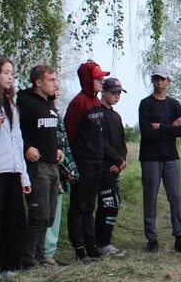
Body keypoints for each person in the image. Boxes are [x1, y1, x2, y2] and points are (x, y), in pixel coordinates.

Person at [0, 57, 31, 278]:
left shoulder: (12, 104)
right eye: (6, 72)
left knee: (15, 218)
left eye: (12, 73)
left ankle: (12, 264)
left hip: (13, 168)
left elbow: (18, 139)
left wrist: (24, 174)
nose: (10, 77)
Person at [64, 60, 113, 261]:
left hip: (97, 161)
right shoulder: (78, 103)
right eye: (97, 78)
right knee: (79, 205)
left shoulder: (96, 102)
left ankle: (91, 244)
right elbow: (70, 133)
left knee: (90, 205)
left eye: (102, 78)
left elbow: (99, 136)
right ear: (87, 79)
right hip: (82, 162)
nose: (102, 81)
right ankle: (79, 248)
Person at [138, 67, 181, 254]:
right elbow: (147, 133)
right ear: (153, 81)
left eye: (163, 79)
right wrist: (171, 127)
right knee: (150, 198)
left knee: (175, 198)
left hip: (171, 157)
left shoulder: (174, 104)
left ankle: (180, 237)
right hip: (150, 157)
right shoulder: (146, 104)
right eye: (156, 79)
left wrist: (161, 126)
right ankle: (151, 238)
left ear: (169, 81)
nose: (159, 82)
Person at [18, 65, 64, 267]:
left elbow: (50, 132)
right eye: (51, 80)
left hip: (53, 165)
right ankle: (28, 258)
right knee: (39, 213)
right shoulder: (25, 102)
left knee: (50, 215)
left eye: (56, 79)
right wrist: (26, 147)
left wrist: (59, 148)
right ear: (38, 82)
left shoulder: (50, 104)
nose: (56, 83)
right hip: (37, 167)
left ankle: (40, 255)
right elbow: (14, 129)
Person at [96, 77, 129, 256]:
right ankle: (100, 243)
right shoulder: (97, 113)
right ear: (104, 92)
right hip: (102, 168)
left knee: (114, 205)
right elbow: (100, 142)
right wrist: (116, 159)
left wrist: (122, 160)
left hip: (115, 168)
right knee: (107, 205)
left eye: (119, 93)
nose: (116, 96)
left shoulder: (116, 116)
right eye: (113, 93)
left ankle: (104, 242)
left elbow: (121, 141)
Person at [45, 93, 79, 265]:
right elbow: (57, 145)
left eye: (58, 88)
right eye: (52, 83)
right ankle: (44, 254)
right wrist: (70, 169)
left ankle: (49, 253)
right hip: (48, 171)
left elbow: (64, 145)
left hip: (59, 174)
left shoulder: (55, 113)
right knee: (46, 214)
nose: (57, 91)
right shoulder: (44, 113)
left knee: (55, 215)